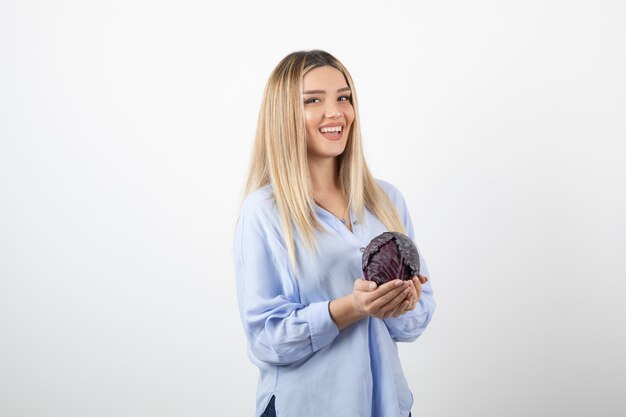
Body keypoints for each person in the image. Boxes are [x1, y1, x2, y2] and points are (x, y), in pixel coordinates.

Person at [232, 50, 435, 417]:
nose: (335, 112)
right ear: (284, 115)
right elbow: (266, 338)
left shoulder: (386, 200)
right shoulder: (263, 212)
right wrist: (350, 308)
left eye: (344, 97)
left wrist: (402, 304)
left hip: (387, 405)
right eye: (313, 101)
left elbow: (415, 320)